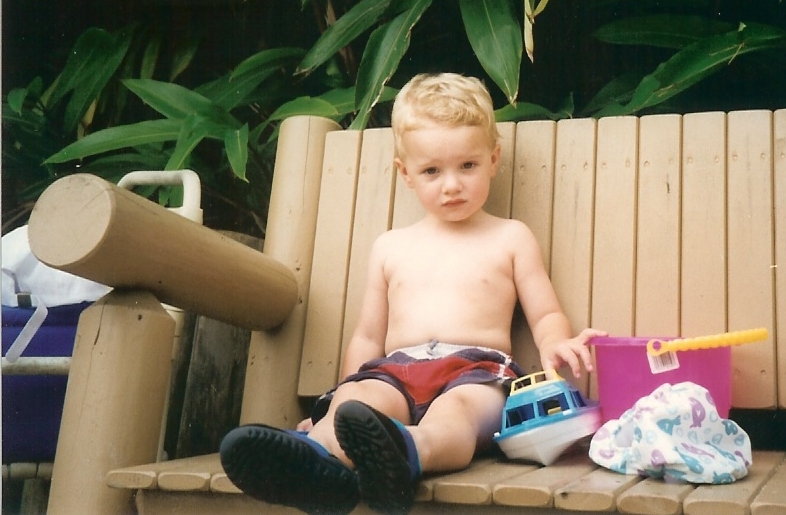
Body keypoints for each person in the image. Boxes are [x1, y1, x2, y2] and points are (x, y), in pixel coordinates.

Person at [220, 73, 605, 515]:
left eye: (468, 166)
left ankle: (404, 454)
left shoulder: (511, 238)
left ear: (493, 159)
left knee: (456, 415)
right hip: (394, 372)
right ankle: (317, 460)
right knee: (357, 405)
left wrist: (557, 343)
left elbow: (544, 313)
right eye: (432, 171)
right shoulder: (390, 247)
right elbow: (367, 337)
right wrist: (342, 396)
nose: (452, 185)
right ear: (406, 174)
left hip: (475, 372)